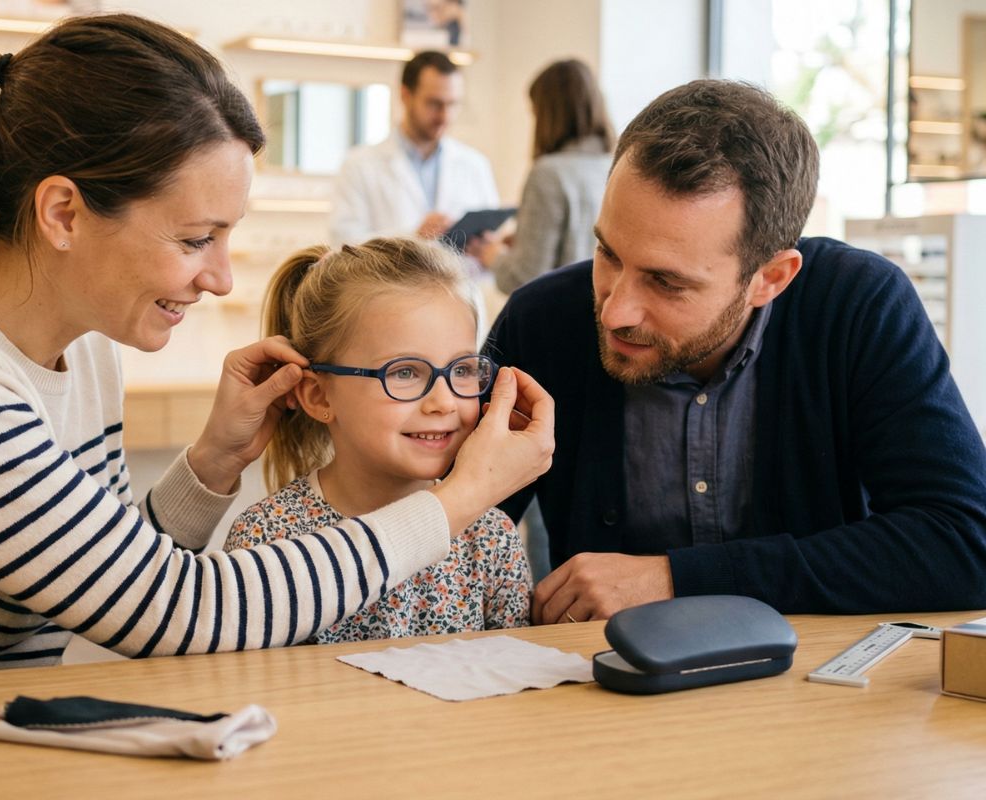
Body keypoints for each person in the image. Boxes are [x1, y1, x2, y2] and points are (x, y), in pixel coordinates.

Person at [0, 14, 554, 683]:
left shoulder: (84, 350)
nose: (220, 279)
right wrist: (458, 501)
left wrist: (215, 459)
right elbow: (176, 612)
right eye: (196, 239)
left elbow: (101, 574)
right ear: (63, 213)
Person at [486, 79, 986, 623]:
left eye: (666, 282)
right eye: (608, 253)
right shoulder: (542, 322)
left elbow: (965, 543)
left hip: (817, 690)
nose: (614, 311)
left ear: (770, 277)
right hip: (604, 687)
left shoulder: (857, 306)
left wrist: (677, 579)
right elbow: (449, 532)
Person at [224, 238, 532, 642]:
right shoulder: (267, 538)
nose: (443, 402)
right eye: (404, 372)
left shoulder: (490, 537)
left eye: (462, 370)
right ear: (319, 396)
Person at [470, 58, 614, 295]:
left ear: (547, 114)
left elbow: (524, 279)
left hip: (556, 318)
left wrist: (493, 255)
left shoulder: (548, 174)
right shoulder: (613, 165)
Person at [329, 51, 498, 248]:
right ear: (406, 95)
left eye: (452, 104)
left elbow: (491, 240)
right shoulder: (359, 165)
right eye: (434, 104)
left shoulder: (474, 164)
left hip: (462, 279)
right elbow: (343, 245)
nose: (445, 116)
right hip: (393, 279)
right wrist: (412, 237)